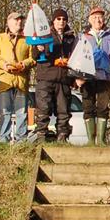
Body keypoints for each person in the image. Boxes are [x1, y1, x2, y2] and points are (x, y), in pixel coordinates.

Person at [0, 11, 35, 142]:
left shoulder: (28, 39)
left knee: (21, 113)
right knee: (5, 112)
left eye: (20, 20)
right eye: (16, 20)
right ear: (8, 22)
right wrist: (3, 65)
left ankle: (21, 140)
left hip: (21, 81)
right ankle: (4, 139)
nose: (19, 22)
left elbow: (33, 58)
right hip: (4, 80)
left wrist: (23, 64)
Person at [74, 6, 110, 145]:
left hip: (105, 77)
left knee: (103, 107)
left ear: (104, 20)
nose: (98, 20)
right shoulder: (82, 37)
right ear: (90, 20)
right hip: (87, 78)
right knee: (88, 107)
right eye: (95, 17)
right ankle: (90, 140)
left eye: (100, 17)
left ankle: (101, 140)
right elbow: (76, 58)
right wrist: (77, 77)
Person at [32, 8, 76, 143]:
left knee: (63, 110)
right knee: (43, 108)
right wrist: (38, 49)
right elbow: (34, 56)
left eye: (64, 19)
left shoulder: (71, 38)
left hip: (64, 78)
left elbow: (76, 58)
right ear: (53, 21)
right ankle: (41, 135)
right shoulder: (44, 34)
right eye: (58, 19)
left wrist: (74, 77)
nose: (61, 22)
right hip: (46, 76)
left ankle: (62, 136)